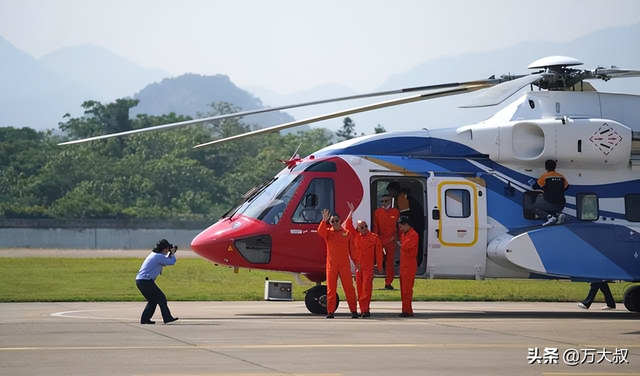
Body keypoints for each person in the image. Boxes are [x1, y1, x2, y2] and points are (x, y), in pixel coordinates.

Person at [317, 208, 359, 319]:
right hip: (332, 264)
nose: (335, 223)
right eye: (332, 221)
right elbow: (320, 232)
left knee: (349, 288)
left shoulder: (346, 233)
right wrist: (323, 220)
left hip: (344, 264)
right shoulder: (328, 233)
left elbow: (352, 250)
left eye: (336, 220)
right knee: (331, 288)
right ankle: (330, 311)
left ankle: (354, 311)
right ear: (330, 223)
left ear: (340, 221)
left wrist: (356, 263)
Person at [345, 202, 383, 318]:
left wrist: (379, 267)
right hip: (358, 266)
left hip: (368, 266)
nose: (365, 229)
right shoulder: (355, 235)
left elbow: (379, 253)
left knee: (367, 289)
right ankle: (363, 310)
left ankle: (366, 310)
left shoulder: (374, 237)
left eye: (366, 226)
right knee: (360, 289)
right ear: (358, 228)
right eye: (362, 227)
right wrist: (351, 212)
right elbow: (347, 225)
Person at [135, 239, 179, 324]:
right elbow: (172, 262)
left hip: (141, 281)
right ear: (165, 249)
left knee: (153, 300)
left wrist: (170, 253)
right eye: (168, 248)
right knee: (161, 298)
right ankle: (167, 317)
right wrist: (172, 253)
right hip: (146, 281)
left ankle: (145, 319)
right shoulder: (158, 256)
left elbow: (166, 261)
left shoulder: (155, 255)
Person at [386, 182, 425, 266]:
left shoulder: (402, 198)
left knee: (413, 244)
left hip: (415, 224)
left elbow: (405, 215)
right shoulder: (401, 197)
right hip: (415, 222)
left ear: (394, 191)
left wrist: (400, 226)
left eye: (390, 191)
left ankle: (416, 261)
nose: (389, 193)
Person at [529, 159, 569, 226]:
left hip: (550, 203)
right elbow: (566, 187)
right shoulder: (561, 177)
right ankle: (558, 215)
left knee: (533, 207)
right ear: (554, 167)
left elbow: (535, 187)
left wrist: (531, 182)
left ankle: (549, 217)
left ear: (546, 167)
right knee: (549, 205)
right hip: (562, 204)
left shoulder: (545, 177)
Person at [373, 194, 400, 290]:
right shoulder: (377, 212)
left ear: (390, 201)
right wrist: (376, 240)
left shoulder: (395, 212)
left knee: (390, 263)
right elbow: (376, 227)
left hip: (391, 241)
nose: (384, 203)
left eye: (386, 201)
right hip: (380, 240)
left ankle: (388, 282)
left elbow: (398, 227)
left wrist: (399, 239)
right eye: (382, 201)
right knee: (378, 260)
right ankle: (375, 278)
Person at [397, 216, 418, 317]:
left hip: (409, 265)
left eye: (401, 226)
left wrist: (401, 244)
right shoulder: (404, 234)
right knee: (403, 289)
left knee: (407, 289)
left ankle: (408, 310)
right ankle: (405, 309)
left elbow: (406, 246)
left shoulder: (413, 235)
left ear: (407, 225)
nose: (400, 229)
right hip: (404, 264)